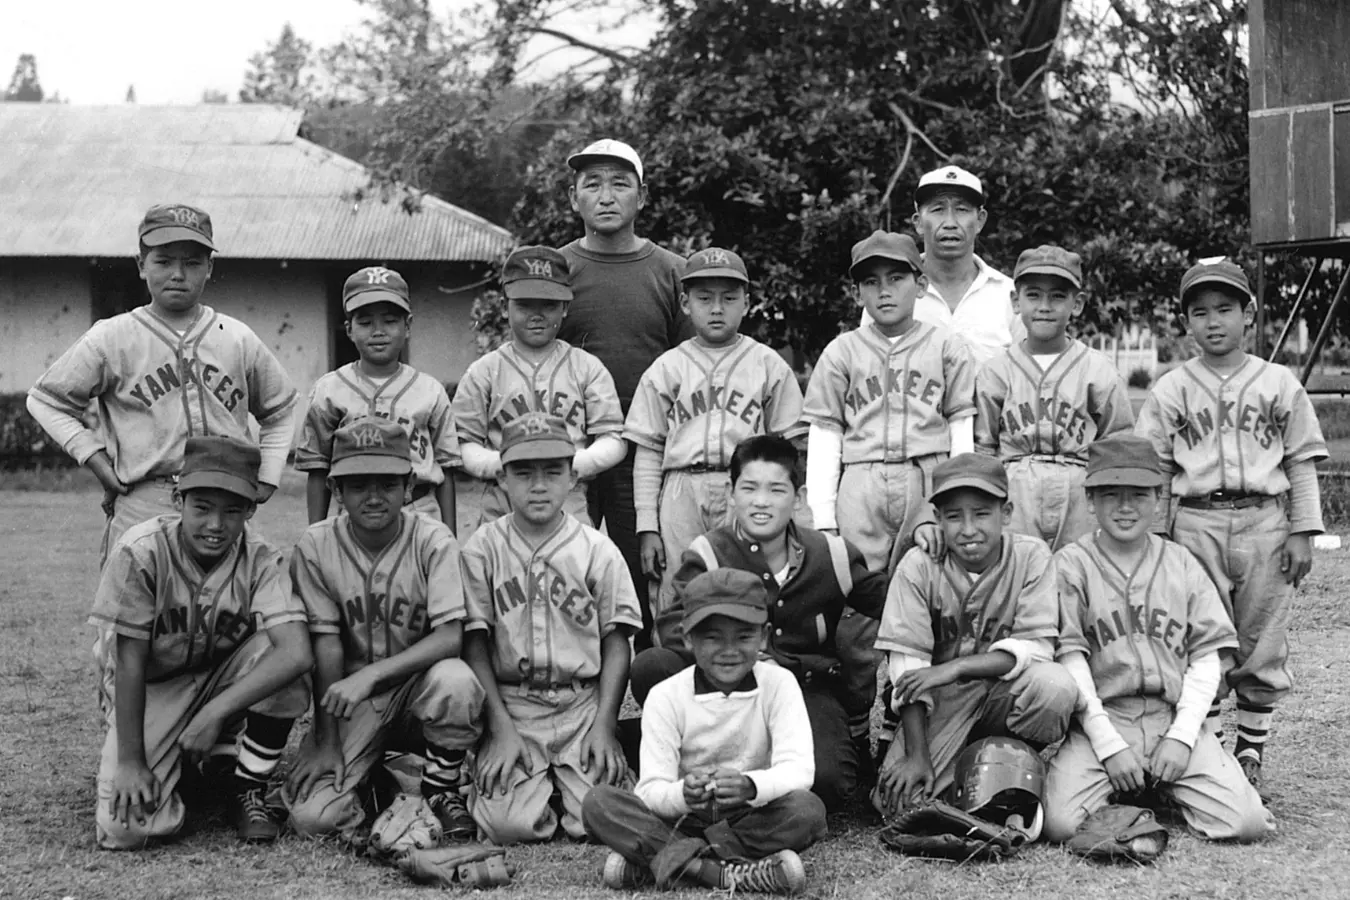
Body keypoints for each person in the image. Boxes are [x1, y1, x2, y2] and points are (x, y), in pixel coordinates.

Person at [1135, 258, 1328, 788]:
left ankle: (1251, 750)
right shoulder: (1172, 388)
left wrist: (1303, 530)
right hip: (1195, 521)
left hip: (1264, 520)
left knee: (1263, 638)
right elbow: (1154, 470)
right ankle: (1214, 747)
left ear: (1250, 314)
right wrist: (1155, 540)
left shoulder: (1279, 382)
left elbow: (1300, 462)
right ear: (1186, 322)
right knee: (1202, 638)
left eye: (1225, 309)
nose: (1213, 321)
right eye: (1200, 312)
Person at [27, 203, 297, 563]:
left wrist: (269, 474)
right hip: (146, 497)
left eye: (192, 263)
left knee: (223, 610)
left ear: (210, 268)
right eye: (164, 261)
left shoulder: (236, 338)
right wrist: (94, 458)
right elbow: (46, 400)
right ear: (141, 265)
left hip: (222, 498)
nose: (178, 274)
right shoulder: (113, 337)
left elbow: (280, 409)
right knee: (133, 610)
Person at [633, 435, 887, 811]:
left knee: (830, 786)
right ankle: (683, 755)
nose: (762, 501)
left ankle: (763, 772)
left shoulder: (830, 553)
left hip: (803, 688)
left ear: (797, 498)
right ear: (731, 493)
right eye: (749, 488)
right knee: (653, 666)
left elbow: (892, 602)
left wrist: (930, 559)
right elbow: (673, 624)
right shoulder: (708, 552)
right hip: (729, 684)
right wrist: (744, 654)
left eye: (776, 489)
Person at [1043, 434, 1272, 846]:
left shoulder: (1181, 561)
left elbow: (1207, 657)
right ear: (1090, 500)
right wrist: (1108, 745)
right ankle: (1145, 788)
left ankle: (1161, 782)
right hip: (1104, 717)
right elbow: (1070, 660)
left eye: (1138, 494)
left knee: (1247, 823)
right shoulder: (1070, 565)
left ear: (1158, 497)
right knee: (1061, 824)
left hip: (1171, 716)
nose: (1125, 506)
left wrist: (1183, 738)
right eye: (1110, 494)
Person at [804, 230, 977, 763]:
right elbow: (825, 439)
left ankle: (902, 727)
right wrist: (826, 522)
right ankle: (855, 730)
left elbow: (961, 432)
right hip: (861, 480)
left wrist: (946, 504)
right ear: (857, 291)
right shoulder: (842, 351)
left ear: (920, 283)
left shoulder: (946, 346)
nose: (884, 291)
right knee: (856, 622)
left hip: (926, 479)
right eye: (871, 281)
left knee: (929, 607)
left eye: (897, 278)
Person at [89, 436, 312, 849]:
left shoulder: (260, 558)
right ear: (178, 498)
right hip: (154, 684)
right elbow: (130, 662)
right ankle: (191, 766)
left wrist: (214, 712)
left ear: (250, 509)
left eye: (232, 511)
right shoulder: (142, 550)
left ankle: (245, 784)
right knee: (128, 829)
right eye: (202, 507)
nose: (215, 525)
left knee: (282, 663)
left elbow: (296, 651)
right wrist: (132, 761)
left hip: (221, 676)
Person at [283, 420, 481, 843]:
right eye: (358, 485)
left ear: (409, 486)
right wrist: (327, 739)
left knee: (456, 680)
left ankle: (440, 787)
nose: (374, 497)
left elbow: (450, 637)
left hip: (418, 689)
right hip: (353, 701)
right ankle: (381, 780)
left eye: (387, 484)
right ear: (336, 491)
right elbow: (325, 645)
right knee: (313, 818)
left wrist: (373, 674)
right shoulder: (315, 545)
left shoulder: (433, 540)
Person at [452, 412, 643, 843]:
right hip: (514, 704)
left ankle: (566, 784)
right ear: (502, 478)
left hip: (580, 706)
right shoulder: (482, 548)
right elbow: (474, 644)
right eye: (523, 472)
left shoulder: (597, 550)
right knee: (509, 827)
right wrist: (499, 729)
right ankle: (532, 785)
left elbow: (617, 642)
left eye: (552, 471)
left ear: (572, 478)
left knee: (600, 821)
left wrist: (605, 725)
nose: (538, 485)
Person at [582, 568, 826, 895]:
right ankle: (724, 874)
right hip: (683, 819)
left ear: (764, 636)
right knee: (598, 803)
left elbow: (799, 769)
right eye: (712, 637)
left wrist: (750, 785)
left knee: (807, 811)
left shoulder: (778, 684)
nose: (729, 650)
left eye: (743, 636)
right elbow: (652, 789)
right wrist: (683, 794)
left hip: (748, 816)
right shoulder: (666, 696)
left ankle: (660, 863)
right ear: (687, 637)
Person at [873, 453, 1076, 819]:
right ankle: (963, 776)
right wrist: (918, 756)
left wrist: (955, 667)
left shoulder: (1031, 556)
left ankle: (1006, 767)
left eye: (982, 513)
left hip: (1003, 690)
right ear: (937, 519)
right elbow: (909, 671)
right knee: (899, 807)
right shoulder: (919, 566)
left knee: (1055, 687)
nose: (968, 529)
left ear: (1007, 513)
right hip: (940, 702)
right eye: (954, 516)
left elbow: (1037, 648)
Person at [557, 138, 693, 644]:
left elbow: (691, 364)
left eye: (620, 184)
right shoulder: (556, 271)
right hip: (571, 449)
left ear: (643, 195)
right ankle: (583, 703)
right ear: (574, 199)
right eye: (592, 184)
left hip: (646, 452)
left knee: (648, 573)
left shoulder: (672, 271)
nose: (606, 196)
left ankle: (653, 696)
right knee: (570, 568)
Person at [626, 247, 806, 617]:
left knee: (749, 582)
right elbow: (647, 453)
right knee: (679, 586)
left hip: (747, 487)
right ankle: (678, 667)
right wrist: (647, 526)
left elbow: (792, 449)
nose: (717, 308)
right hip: (681, 488)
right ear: (685, 303)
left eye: (729, 298)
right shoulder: (667, 368)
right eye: (704, 298)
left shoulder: (768, 364)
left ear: (747, 302)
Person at [452, 246, 625, 532]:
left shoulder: (586, 367)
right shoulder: (484, 371)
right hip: (502, 496)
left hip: (568, 496)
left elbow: (614, 438)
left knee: (573, 568)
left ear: (565, 307)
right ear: (506, 305)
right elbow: (463, 443)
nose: (536, 315)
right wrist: (500, 464)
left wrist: (573, 464)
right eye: (524, 305)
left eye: (548, 305)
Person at [974, 245, 1134, 550]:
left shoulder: (1097, 369)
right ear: (1015, 301)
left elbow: (1118, 443)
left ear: (1077, 304)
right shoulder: (995, 371)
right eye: (1033, 295)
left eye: (1058, 296)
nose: (1044, 306)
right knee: (1018, 577)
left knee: (1077, 576)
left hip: (1079, 488)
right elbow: (984, 448)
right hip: (1015, 487)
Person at [294, 265, 460, 529]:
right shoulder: (329, 390)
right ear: (349, 329)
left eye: (390, 320)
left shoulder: (430, 390)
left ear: (408, 326)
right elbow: (318, 469)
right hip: (353, 511)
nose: (378, 331)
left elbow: (446, 470)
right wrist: (314, 534)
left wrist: (450, 535)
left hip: (420, 510)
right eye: (365, 322)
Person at [860, 166, 1022, 365]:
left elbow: (1027, 375)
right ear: (918, 222)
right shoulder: (886, 292)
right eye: (938, 210)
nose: (950, 223)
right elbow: (867, 371)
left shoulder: (1009, 294)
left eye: (962, 210)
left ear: (980, 221)